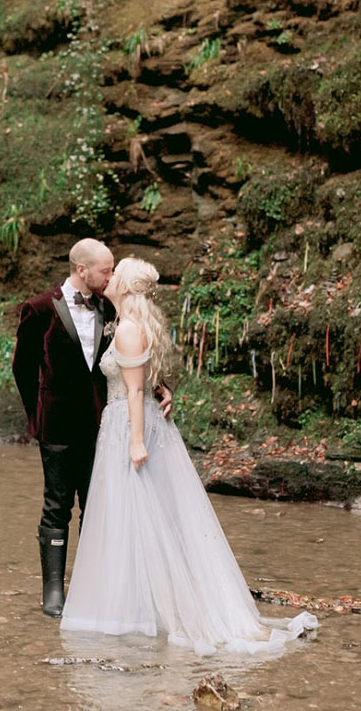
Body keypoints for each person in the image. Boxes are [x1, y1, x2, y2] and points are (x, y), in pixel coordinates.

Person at [60, 257, 318, 654]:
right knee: (133, 519)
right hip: (125, 424)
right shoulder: (129, 323)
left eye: (115, 273)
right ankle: (137, 609)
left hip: (129, 426)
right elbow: (141, 380)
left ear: (124, 286)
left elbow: (134, 390)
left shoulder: (127, 328)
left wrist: (136, 441)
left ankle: (141, 614)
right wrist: (161, 389)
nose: (108, 277)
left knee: (138, 516)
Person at [12, 239, 172, 617]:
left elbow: (132, 360)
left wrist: (160, 386)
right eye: (106, 270)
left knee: (96, 506)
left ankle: (92, 589)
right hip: (56, 425)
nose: (111, 276)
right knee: (56, 505)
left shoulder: (110, 307)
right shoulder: (38, 309)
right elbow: (23, 369)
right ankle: (53, 593)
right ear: (82, 270)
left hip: (103, 425)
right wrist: (37, 416)